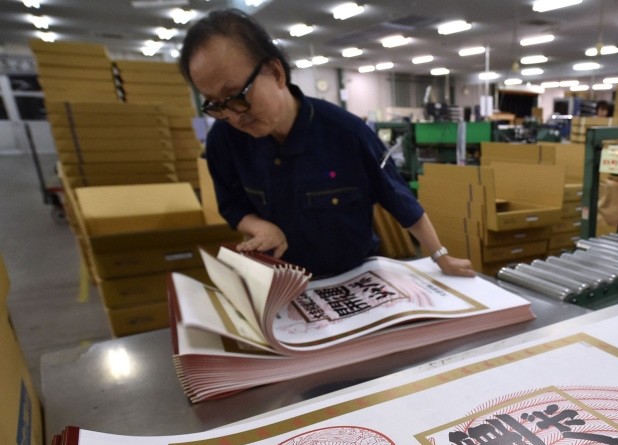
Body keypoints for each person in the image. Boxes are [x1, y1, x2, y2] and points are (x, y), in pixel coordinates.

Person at [179, 9, 474, 278]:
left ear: (276, 72)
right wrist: (259, 226)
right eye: (215, 104)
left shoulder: (347, 134)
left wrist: (440, 256)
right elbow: (231, 205)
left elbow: (401, 201)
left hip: (354, 277)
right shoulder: (224, 140)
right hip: (281, 279)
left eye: (236, 96)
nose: (232, 115)